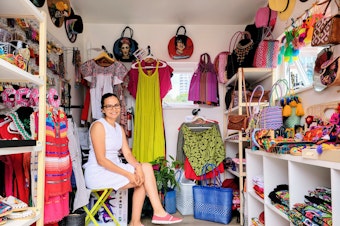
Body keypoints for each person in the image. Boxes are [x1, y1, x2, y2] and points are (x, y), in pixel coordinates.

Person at [83, 93, 182, 226]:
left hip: (114, 168)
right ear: (103, 109)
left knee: (145, 168)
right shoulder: (98, 126)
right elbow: (101, 160)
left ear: (120, 107)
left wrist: (138, 167)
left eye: (116, 105)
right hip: (99, 172)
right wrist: (128, 174)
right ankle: (141, 220)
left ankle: (152, 215)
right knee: (139, 179)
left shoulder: (119, 129)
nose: (113, 109)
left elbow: (128, 154)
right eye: (109, 106)